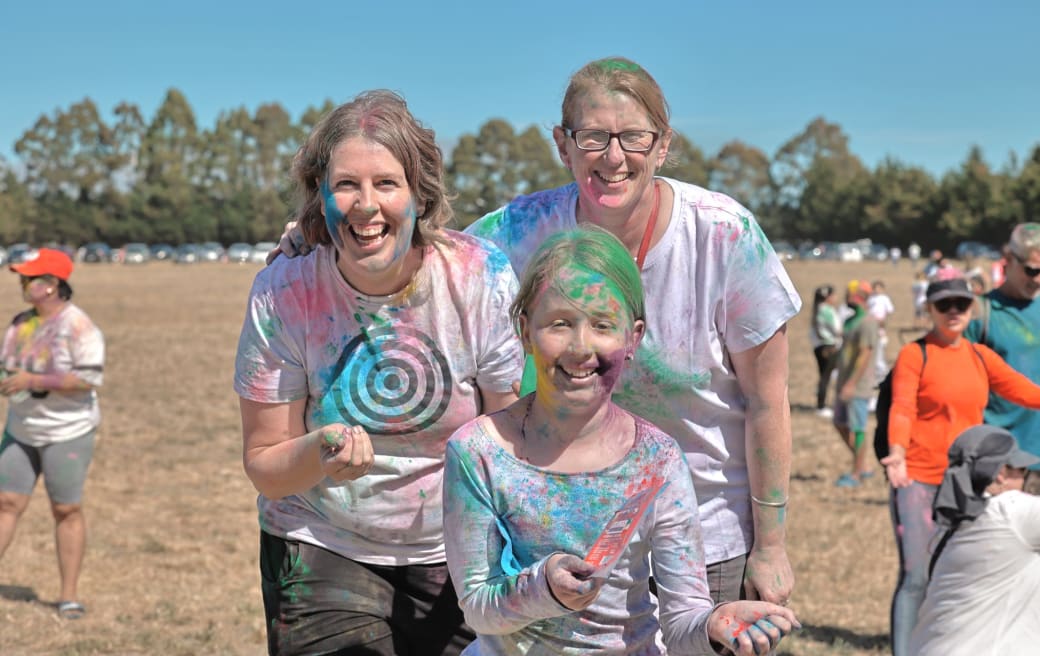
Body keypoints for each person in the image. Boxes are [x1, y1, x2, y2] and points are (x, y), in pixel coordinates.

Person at [271, 56, 800, 606]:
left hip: (705, 537)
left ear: (663, 145)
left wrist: (773, 545)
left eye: (634, 137)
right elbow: (420, 249)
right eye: (592, 136)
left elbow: (769, 403)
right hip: (568, 542)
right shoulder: (520, 232)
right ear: (562, 145)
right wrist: (320, 232)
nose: (613, 156)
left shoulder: (724, 237)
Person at [234, 90, 523, 655]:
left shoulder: (476, 277)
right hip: (320, 541)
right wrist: (319, 452)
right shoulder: (285, 291)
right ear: (320, 197)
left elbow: (511, 439)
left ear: (420, 194)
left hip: (458, 548)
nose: (366, 205)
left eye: (387, 183)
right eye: (346, 185)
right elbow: (265, 464)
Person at [443, 226, 800, 655]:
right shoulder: (478, 452)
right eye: (559, 323)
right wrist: (543, 588)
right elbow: (478, 608)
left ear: (632, 338)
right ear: (525, 332)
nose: (580, 346)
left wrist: (712, 626)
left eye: (602, 325)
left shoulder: (657, 459)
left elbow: (682, 617)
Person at [880, 268, 1040, 655]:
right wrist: (898, 454)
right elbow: (903, 407)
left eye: (962, 303)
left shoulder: (979, 356)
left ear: (972, 308)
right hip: (919, 481)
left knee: (955, 573)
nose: (953, 311)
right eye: (944, 304)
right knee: (915, 577)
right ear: (930, 309)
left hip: (968, 484)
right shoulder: (914, 354)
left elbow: (1022, 391)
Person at [0, 248, 105, 620]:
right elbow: (7, 365)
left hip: (67, 433)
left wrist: (34, 380)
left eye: (29, 277)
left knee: (66, 509)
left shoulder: (79, 327)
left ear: (52, 285)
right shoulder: (20, 323)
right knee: (6, 505)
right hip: (21, 430)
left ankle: (68, 596)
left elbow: (87, 378)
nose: (22, 283)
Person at [908, 425, 1040, 655]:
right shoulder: (1012, 513)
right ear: (1001, 473)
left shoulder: (952, 528)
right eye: (1021, 469)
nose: (1025, 478)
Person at [964, 223, 1040, 495]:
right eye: (1032, 270)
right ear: (1008, 260)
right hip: (1007, 463)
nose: (1039, 280)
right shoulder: (980, 314)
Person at [831, 280, 878, 488]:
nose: (846, 297)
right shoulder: (850, 321)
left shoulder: (867, 322)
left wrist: (852, 383)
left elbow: (865, 353)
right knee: (839, 423)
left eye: (849, 294)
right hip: (844, 383)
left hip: (858, 386)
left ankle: (857, 474)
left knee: (858, 428)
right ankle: (863, 465)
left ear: (859, 297)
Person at [810, 284, 841, 418]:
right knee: (826, 376)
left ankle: (821, 403)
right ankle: (822, 405)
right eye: (833, 295)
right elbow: (837, 329)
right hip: (829, 347)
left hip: (819, 346)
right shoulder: (827, 310)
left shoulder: (817, 310)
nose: (835, 298)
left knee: (824, 375)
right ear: (827, 297)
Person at [866, 280, 895, 384]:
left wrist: (883, 320)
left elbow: (889, 310)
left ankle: (882, 374)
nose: (877, 290)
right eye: (875, 288)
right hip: (871, 324)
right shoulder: (871, 299)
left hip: (880, 325)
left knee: (880, 349)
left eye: (879, 288)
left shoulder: (884, 298)